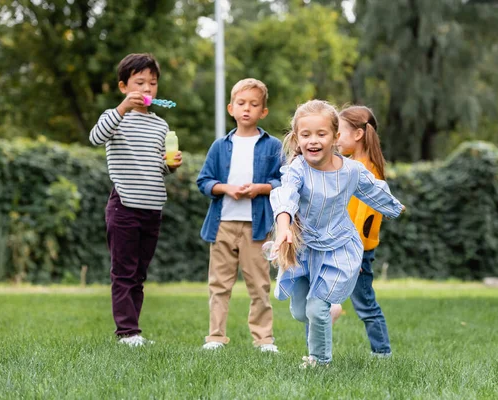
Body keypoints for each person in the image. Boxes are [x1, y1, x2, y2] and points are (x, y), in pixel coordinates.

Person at [270, 100, 404, 368]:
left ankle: (320, 362)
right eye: (305, 135)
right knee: (300, 312)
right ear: (297, 138)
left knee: (315, 308)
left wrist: (395, 207)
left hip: (338, 248)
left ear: (335, 137)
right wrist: (283, 227)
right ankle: (328, 309)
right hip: (304, 247)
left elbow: (373, 189)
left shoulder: (351, 171)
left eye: (321, 134)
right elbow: (286, 195)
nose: (313, 141)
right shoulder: (298, 169)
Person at [89, 53, 183, 347]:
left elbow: (158, 167)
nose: (146, 89)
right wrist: (120, 109)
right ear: (123, 86)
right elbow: (95, 137)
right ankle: (126, 333)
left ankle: (133, 332)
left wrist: (171, 165)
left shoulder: (160, 125)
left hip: (152, 207)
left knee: (139, 274)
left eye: (152, 83)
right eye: (139, 82)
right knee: (124, 272)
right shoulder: (114, 117)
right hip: (124, 205)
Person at [197, 78, 283, 353]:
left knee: (259, 285)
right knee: (219, 285)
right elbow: (205, 181)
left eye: (254, 104)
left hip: (256, 228)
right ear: (231, 108)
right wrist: (226, 189)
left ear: (263, 112)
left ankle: (264, 339)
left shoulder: (273, 146)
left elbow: (284, 183)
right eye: (242, 104)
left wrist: (260, 189)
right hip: (222, 225)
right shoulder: (219, 146)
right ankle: (215, 337)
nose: (247, 109)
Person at [332, 105, 405, 357]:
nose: (335, 138)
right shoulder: (349, 165)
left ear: (358, 134)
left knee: (365, 304)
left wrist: (356, 253)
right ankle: (319, 350)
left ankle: (382, 353)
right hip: (343, 246)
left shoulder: (366, 170)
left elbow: (365, 220)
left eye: (338, 132)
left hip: (356, 250)